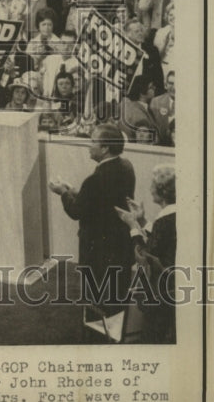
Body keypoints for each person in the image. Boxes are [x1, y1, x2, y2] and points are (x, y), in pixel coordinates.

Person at [49, 123, 136, 323]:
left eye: (93, 142)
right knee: (117, 298)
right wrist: (73, 191)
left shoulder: (95, 180)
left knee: (97, 301)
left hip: (98, 250)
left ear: (105, 148)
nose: (89, 146)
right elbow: (102, 201)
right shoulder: (126, 167)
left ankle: (96, 338)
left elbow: (77, 211)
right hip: (121, 245)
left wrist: (62, 192)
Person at [115, 164, 176, 343]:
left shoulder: (164, 220)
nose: (149, 189)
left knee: (153, 334)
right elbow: (161, 239)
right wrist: (142, 219)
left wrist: (133, 226)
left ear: (161, 191)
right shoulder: (173, 216)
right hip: (178, 284)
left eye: (152, 185)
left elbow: (145, 255)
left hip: (162, 288)